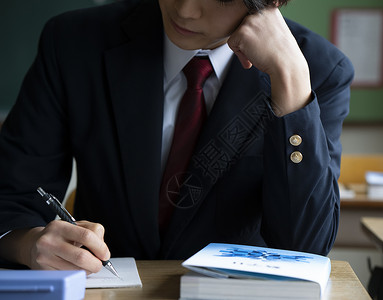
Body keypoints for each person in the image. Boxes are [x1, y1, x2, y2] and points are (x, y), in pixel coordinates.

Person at [0, 0, 353, 275]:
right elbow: (12, 193)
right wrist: (27, 243)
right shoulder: (75, 43)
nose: (184, 9)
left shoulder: (317, 70)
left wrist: (289, 83)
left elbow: (306, 247)